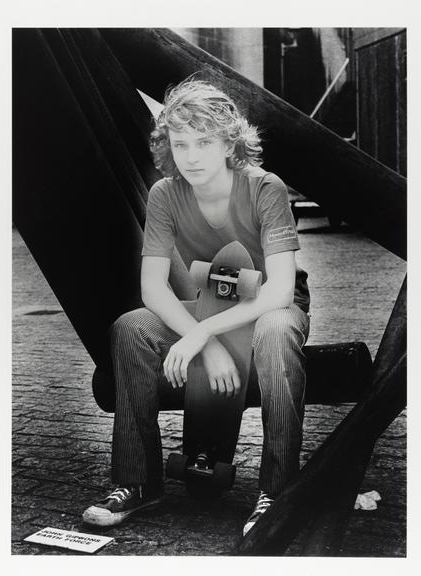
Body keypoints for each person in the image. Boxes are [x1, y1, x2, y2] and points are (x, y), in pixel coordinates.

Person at [82, 79, 310, 536]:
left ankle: (277, 491)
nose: (191, 156)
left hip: (268, 303)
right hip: (213, 297)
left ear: (229, 141)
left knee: (275, 331)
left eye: (204, 141)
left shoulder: (265, 188)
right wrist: (205, 341)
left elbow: (279, 291)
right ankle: (138, 481)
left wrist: (202, 335)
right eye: (180, 143)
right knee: (131, 327)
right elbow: (153, 289)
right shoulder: (166, 193)